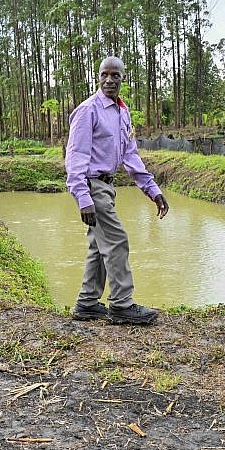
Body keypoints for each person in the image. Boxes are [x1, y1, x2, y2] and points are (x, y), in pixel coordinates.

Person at [65, 56, 168, 326]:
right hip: (92, 186)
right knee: (117, 241)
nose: (109, 80)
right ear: (98, 77)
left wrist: (152, 189)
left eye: (115, 76)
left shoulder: (122, 113)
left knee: (99, 247)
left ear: (123, 78)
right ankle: (122, 305)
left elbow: (130, 155)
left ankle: (87, 303)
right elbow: (75, 156)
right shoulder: (88, 110)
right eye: (104, 75)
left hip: (108, 186)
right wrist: (83, 197)